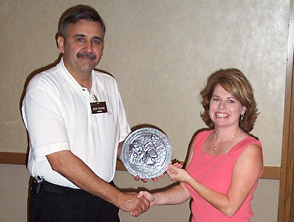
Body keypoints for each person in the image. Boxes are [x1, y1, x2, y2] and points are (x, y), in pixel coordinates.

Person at [21, 5, 150, 222]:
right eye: (80, 39)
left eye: (96, 41)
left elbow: (119, 144)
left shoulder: (108, 84)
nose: (89, 48)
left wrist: (145, 161)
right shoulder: (43, 87)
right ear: (61, 43)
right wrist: (119, 198)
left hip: (103, 200)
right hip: (59, 203)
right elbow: (60, 160)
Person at [139, 68, 263, 221]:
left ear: (243, 108)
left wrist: (189, 179)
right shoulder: (200, 139)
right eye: (216, 99)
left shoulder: (250, 149)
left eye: (230, 101)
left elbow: (229, 207)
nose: (221, 106)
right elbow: (186, 190)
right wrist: (155, 198)